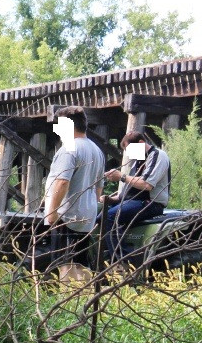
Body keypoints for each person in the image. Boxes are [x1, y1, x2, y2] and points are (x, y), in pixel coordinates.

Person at [41, 107, 105, 273]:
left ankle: (67, 296)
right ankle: (82, 297)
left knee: (64, 265)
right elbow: (99, 187)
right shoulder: (97, 150)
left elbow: (62, 182)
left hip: (66, 217)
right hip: (86, 217)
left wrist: (52, 213)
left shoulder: (69, 148)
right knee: (80, 265)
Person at [101, 130, 171, 266]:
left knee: (109, 217)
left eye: (130, 150)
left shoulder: (158, 155)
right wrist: (113, 198)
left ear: (141, 143)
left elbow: (146, 184)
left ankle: (125, 261)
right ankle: (105, 257)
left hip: (151, 203)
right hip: (135, 201)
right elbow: (131, 189)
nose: (129, 154)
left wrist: (121, 176)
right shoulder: (138, 161)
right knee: (99, 217)